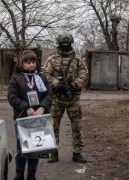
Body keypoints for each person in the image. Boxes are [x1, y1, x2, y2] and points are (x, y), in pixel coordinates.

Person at [43, 32, 89, 163]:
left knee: (77, 126)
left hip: (73, 99)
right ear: (58, 44)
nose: (65, 46)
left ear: (71, 44)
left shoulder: (78, 59)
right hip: (57, 99)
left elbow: (84, 74)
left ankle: (77, 152)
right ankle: (53, 152)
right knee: (53, 127)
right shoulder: (52, 59)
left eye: (67, 44)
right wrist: (56, 83)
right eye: (63, 44)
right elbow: (46, 74)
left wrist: (74, 84)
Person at [8, 50, 53, 180]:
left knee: (36, 148)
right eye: (27, 62)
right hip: (22, 118)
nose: (31, 65)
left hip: (39, 118)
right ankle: (19, 173)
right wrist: (26, 107)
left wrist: (43, 108)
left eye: (33, 62)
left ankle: (32, 173)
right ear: (21, 64)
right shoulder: (16, 78)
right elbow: (12, 97)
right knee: (22, 146)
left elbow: (49, 94)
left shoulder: (42, 77)